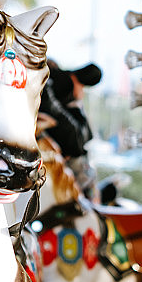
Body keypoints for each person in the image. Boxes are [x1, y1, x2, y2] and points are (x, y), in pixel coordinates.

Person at [39, 61, 102, 196]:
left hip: (70, 145)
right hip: (67, 145)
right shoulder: (62, 82)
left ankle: (90, 194)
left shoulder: (66, 83)